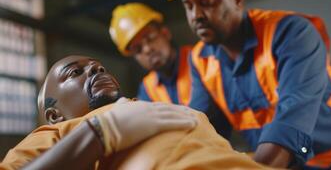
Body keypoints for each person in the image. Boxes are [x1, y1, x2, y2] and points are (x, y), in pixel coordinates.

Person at [167, 0, 331, 169]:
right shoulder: (200, 61)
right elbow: (203, 134)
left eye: (207, 2)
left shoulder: (291, 34)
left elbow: (290, 127)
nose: (196, 15)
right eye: (188, 6)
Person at [0, 55, 274, 170]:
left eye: (100, 67)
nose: (96, 70)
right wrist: (97, 133)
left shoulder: (153, 107)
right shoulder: (55, 134)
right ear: (55, 115)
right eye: (75, 72)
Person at [109, 3, 232, 138]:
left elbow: (202, 115)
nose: (147, 49)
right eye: (138, 49)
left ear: (165, 33)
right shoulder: (147, 88)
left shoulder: (199, 60)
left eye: (150, 38)